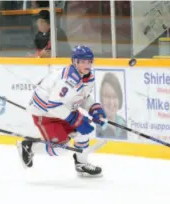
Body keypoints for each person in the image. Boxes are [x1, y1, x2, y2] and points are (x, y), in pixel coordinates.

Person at [18, 45, 106, 177]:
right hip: (45, 113)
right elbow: (53, 106)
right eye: (82, 61)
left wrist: (94, 108)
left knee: (84, 130)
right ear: (75, 62)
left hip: (64, 109)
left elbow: (82, 98)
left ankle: (81, 164)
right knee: (60, 149)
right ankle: (29, 146)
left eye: (89, 61)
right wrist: (76, 120)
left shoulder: (88, 77)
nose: (87, 64)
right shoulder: (67, 80)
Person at [97, 72, 127, 139]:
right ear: (101, 98)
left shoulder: (125, 124)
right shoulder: (95, 126)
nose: (111, 102)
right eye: (107, 96)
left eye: (115, 97)